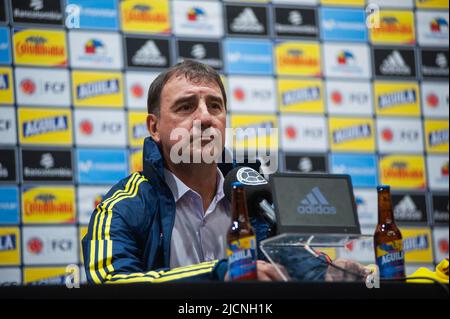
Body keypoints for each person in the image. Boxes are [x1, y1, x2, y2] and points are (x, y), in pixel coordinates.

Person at [82, 60, 367, 284]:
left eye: (214, 106)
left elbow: (298, 264)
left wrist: (329, 273)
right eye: (186, 106)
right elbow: (112, 282)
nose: (205, 117)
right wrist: (220, 274)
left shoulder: (258, 196)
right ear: (154, 127)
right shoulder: (124, 206)